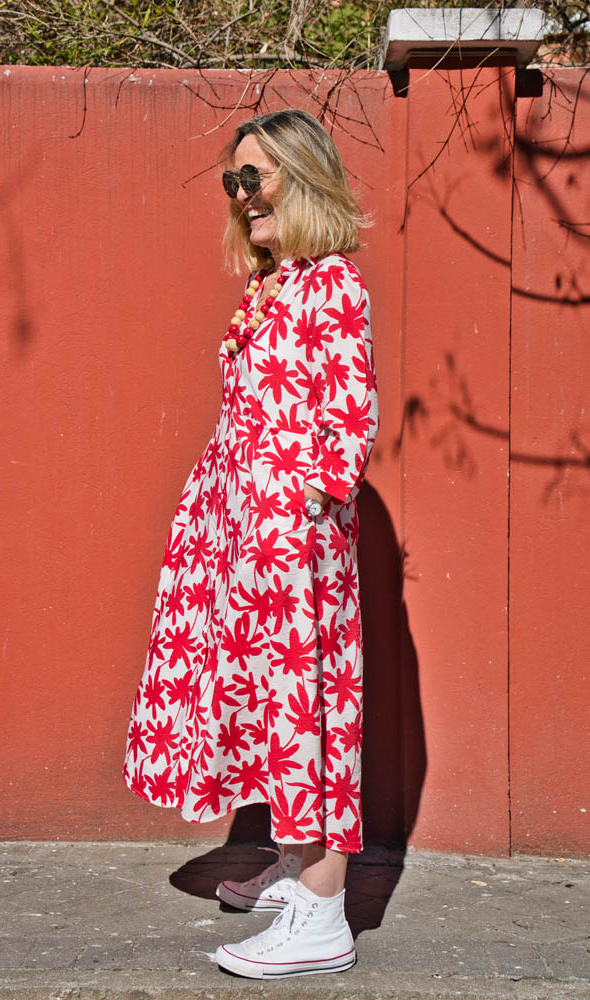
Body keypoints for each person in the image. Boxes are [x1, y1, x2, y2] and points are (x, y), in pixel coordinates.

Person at [123, 108, 378, 978]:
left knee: (307, 704)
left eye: (254, 176)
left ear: (302, 179)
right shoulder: (275, 286)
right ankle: (293, 861)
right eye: (232, 181)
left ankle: (323, 910)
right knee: (269, 702)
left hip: (285, 538)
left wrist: (295, 508)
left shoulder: (334, 283)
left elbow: (348, 421)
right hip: (239, 529)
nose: (240, 195)